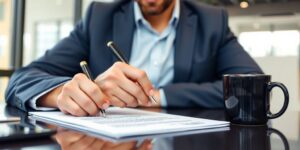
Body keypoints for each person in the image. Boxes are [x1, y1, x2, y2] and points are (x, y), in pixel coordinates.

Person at [5, 0, 262, 116]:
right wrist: (61, 93)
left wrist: (160, 97)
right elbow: (21, 80)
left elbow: (253, 86)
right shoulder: (99, 17)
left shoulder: (212, 21)